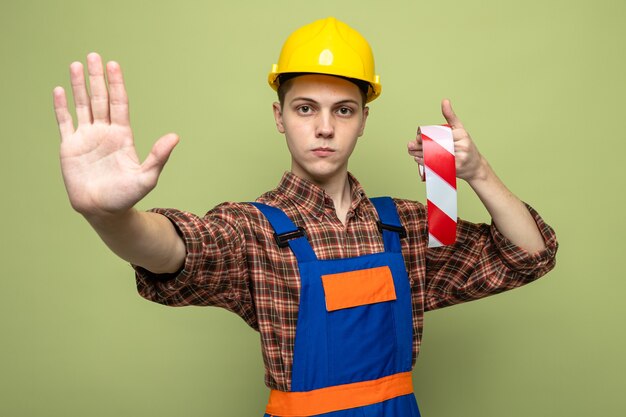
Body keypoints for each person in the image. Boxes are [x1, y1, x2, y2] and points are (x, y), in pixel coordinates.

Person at [52, 16, 557, 417]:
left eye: (343, 110)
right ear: (279, 117)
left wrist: (480, 173)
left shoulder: (405, 228)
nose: (324, 128)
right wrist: (110, 216)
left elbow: (529, 255)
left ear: (363, 120)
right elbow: (175, 249)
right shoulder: (253, 230)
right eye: (304, 108)